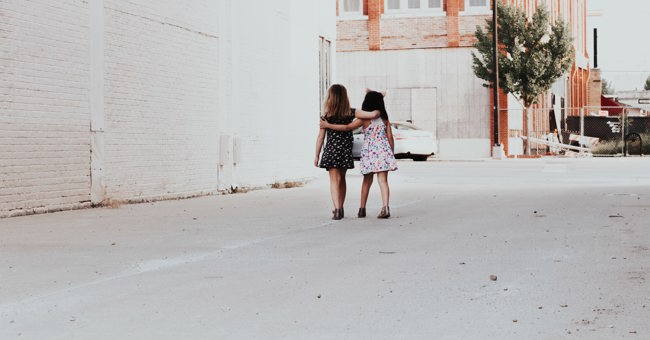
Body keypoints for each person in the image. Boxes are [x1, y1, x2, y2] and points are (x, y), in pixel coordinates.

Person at [320, 90, 397, 219]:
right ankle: (385, 207)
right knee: (383, 181)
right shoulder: (385, 119)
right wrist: (391, 154)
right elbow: (390, 137)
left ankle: (362, 209)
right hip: (383, 152)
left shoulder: (363, 120)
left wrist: (328, 125)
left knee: (367, 181)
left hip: (369, 152)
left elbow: (347, 128)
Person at [315, 84, 380, 220]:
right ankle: (341, 208)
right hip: (344, 151)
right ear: (345, 97)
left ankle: (337, 209)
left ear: (330, 97)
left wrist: (316, 154)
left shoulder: (326, 116)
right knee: (342, 179)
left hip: (331, 150)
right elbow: (372, 114)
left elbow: (320, 137)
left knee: (334, 180)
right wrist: (378, 103)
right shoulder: (351, 112)